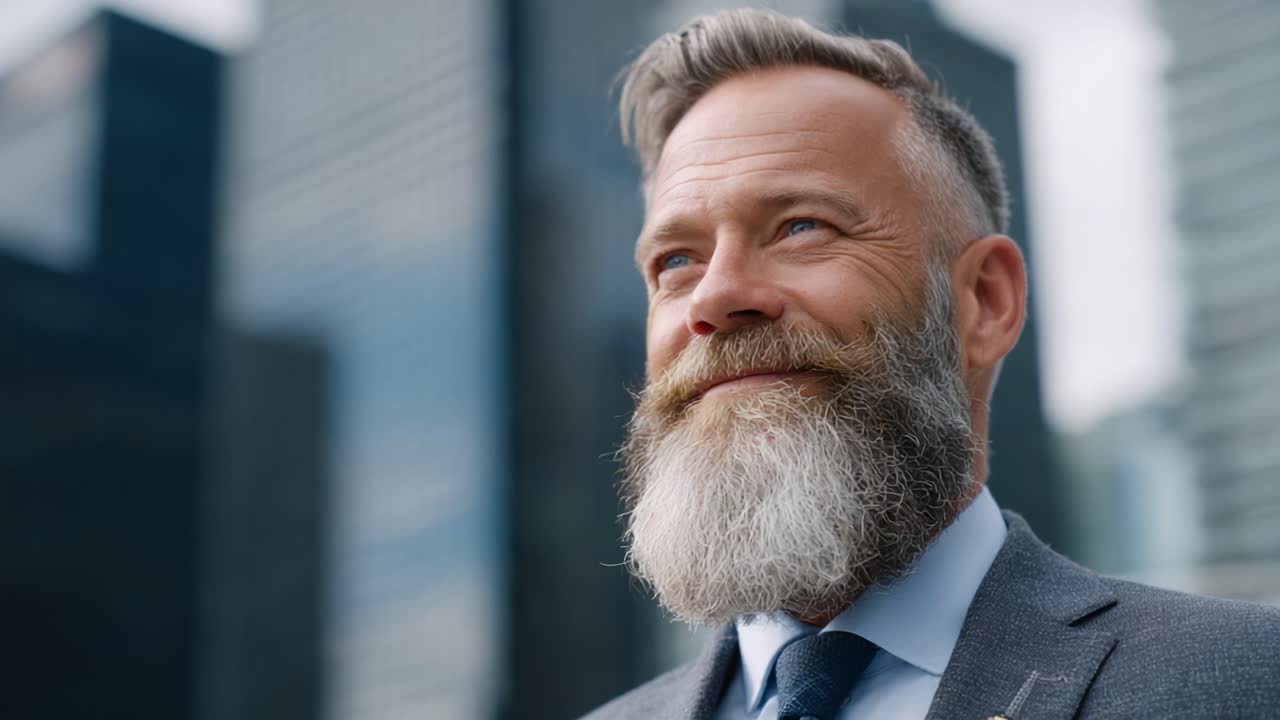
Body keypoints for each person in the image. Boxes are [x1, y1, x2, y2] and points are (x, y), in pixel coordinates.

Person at [584, 9, 1280, 720]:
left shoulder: (1248, 682)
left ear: (983, 301)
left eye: (802, 226)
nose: (715, 296)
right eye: (676, 261)